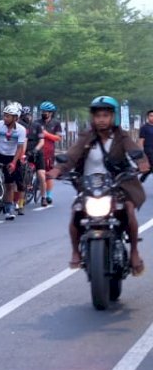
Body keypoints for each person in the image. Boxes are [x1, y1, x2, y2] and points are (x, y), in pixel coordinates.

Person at [48, 96, 148, 274]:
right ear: (93, 118)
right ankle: (75, 251)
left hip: (117, 184)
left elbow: (134, 150)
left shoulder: (121, 136)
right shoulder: (86, 137)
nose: (101, 119)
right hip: (89, 186)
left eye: (105, 115)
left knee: (129, 210)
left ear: (113, 117)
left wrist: (141, 162)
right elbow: (72, 154)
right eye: (98, 116)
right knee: (76, 213)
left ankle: (134, 251)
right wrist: (58, 169)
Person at [17, 106, 45, 216]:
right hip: (24, 153)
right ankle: (21, 203)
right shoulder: (20, 126)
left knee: (41, 175)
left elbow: (41, 141)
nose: (26, 118)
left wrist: (35, 150)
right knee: (23, 178)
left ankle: (43, 197)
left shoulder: (37, 126)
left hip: (37, 153)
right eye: (24, 116)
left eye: (28, 116)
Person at [37, 101, 63, 207]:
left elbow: (58, 138)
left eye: (46, 112)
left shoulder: (56, 123)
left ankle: (48, 195)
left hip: (49, 152)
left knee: (48, 175)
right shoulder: (37, 122)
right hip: (37, 150)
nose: (44, 113)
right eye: (42, 111)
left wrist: (47, 134)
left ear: (51, 113)